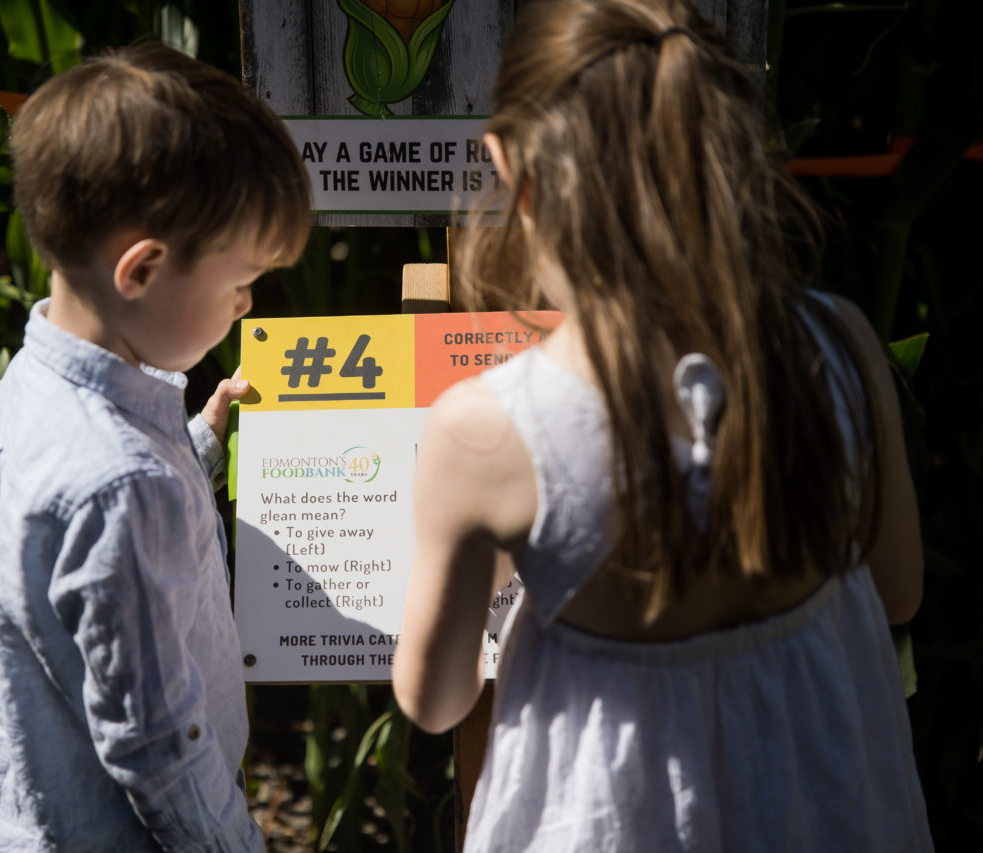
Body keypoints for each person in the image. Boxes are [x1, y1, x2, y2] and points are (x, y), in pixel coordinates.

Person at [391, 0, 932, 850]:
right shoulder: (841, 344)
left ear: (509, 167)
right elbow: (900, 589)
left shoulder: (488, 430)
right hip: (827, 804)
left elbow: (434, 698)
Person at [0, 43, 310, 851]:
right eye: (240, 281)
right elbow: (156, 742)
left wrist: (199, 445)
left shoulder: (12, 408)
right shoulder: (122, 484)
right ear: (142, 270)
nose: (247, 303)